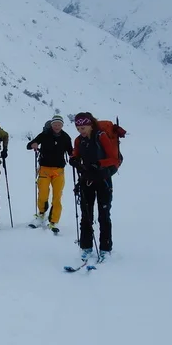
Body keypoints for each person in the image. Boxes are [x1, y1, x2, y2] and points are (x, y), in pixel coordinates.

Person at [69, 111, 119, 261]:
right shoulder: (78, 140)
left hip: (103, 179)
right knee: (86, 215)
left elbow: (113, 159)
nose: (80, 131)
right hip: (86, 179)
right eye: (78, 128)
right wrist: (74, 160)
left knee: (104, 215)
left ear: (90, 125)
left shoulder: (101, 136)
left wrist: (99, 164)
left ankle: (105, 249)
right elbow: (75, 154)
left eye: (83, 128)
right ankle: (86, 247)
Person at [26, 114, 74, 233]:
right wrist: (34, 144)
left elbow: (71, 151)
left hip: (59, 170)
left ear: (62, 125)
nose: (57, 126)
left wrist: (75, 157)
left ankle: (54, 221)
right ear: (51, 125)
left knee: (57, 196)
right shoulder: (45, 134)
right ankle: (41, 214)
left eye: (59, 124)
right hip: (44, 169)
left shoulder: (66, 137)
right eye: (55, 124)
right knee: (42, 193)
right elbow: (29, 145)